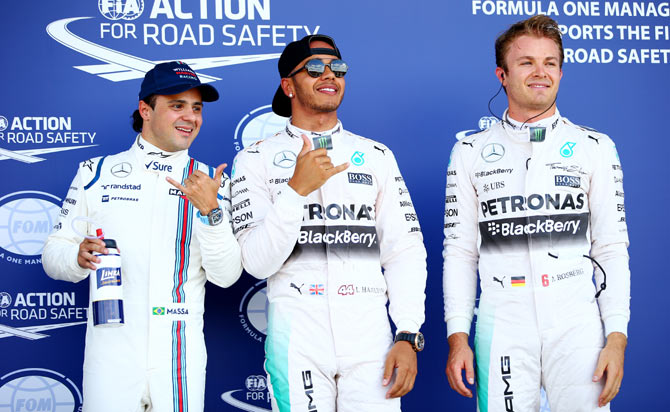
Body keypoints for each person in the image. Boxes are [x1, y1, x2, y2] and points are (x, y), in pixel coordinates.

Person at [230, 34, 427, 411]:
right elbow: (256, 262)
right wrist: (295, 191)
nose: (329, 75)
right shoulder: (256, 159)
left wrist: (407, 333)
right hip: (297, 335)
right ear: (288, 85)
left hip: (369, 335)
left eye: (337, 67)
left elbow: (404, 250)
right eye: (314, 68)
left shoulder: (375, 155)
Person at [443, 15, 630, 412]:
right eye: (527, 62)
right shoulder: (469, 152)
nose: (540, 72)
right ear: (503, 74)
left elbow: (611, 248)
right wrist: (458, 336)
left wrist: (616, 336)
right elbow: (460, 252)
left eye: (549, 63)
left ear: (561, 72)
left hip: (577, 322)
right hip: (502, 322)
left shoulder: (594, 147)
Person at [42, 61, 243, 412]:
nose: (190, 117)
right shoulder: (96, 173)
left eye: (196, 108)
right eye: (177, 105)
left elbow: (226, 277)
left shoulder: (213, 182)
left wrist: (211, 214)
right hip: (111, 350)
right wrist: (76, 258)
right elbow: (52, 255)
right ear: (145, 110)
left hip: (179, 351)